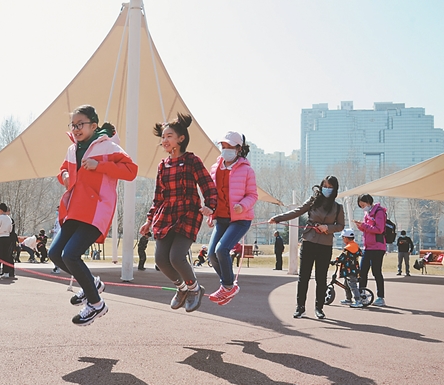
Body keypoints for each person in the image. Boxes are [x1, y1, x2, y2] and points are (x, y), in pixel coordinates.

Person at [49, 105, 138, 326]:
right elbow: (62, 171)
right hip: (74, 210)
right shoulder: (73, 149)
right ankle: (92, 284)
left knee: (70, 254)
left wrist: (100, 165)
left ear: (94, 125)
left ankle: (96, 304)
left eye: (81, 124)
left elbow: (131, 171)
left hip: (96, 210)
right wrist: (65, 174)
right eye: (73, 125)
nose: (76, 129)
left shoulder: (108, 146)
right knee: (55, 253)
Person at [140, 113, 217, 313]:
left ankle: (194, 288)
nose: (164, 140)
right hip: (165, 215)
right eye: (163, 137)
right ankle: (181, 288)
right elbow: (158, 197)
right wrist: (149, 220)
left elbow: (208, 185)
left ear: (181, 138)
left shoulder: (192, 160)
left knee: (176, 257)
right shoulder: (162, 165)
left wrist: (210, 206)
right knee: (160, 260)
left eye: (169, 136)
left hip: (188, 213)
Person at [269, 176, 345, 319]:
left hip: (325, 245)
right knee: (303, 277)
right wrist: (278, 218)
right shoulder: (313, 201)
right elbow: (297, 211)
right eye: (325, 186)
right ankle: (300, 307)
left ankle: (319, 308)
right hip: (308, 241)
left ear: (334, 189)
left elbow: (341, 226)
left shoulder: (338, 207)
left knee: (321, 278)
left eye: (330, 187)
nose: (326, 189)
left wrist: (327, 227)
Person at [205, 131, 258, 305]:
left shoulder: (247, 170)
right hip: (221, 218)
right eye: (223, 146)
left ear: (238, 149)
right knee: (211, 254)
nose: (225, 150)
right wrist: (211, 213)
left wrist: (242, 205)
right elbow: (213, 194)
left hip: (240, 219)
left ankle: (227, 287)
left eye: (229, 147)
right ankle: (228, 289)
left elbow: (253, 195)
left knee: (222, 250)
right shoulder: (214, 168)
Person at [354, 194, 387, 307]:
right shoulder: (367, 214)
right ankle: (361, 295)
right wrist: (360, 226)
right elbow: (367, 229)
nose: (363, 208)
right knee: (362, 271)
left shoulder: (379, 212)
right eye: (361, 206)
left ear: (368, 202)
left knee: (376, 272)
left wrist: (364, 226)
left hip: (378, 247)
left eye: (363, 205)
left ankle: (380, 297)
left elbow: (379, 229)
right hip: (368, 247)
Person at [334, 229, 364, 308]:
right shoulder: (355, 245)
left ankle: (358, 301)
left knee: (352, 285)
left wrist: (335, 261)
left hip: (349, 269)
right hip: (355, 268)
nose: (343, 239)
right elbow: (361, 253)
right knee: (347, 284)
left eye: (343, 238)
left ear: (346, 238)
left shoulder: (348, 248)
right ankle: (348, 299)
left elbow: (342, 257)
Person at [0, 203, 15, 279]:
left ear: (0, 210)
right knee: (6, 255)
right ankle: (6, 272)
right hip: (7, 237)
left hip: (0, 237)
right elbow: (10, 229)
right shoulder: (9, 218)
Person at [51, 207, 61, 274]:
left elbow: (59, 229)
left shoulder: (61, 219)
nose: (57, 212)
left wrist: (53, 230)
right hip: (54, 237)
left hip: (58, 237)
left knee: (55, 253)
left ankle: (57, 267)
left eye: (58, 210)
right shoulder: (57, 219)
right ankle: (56, 266)